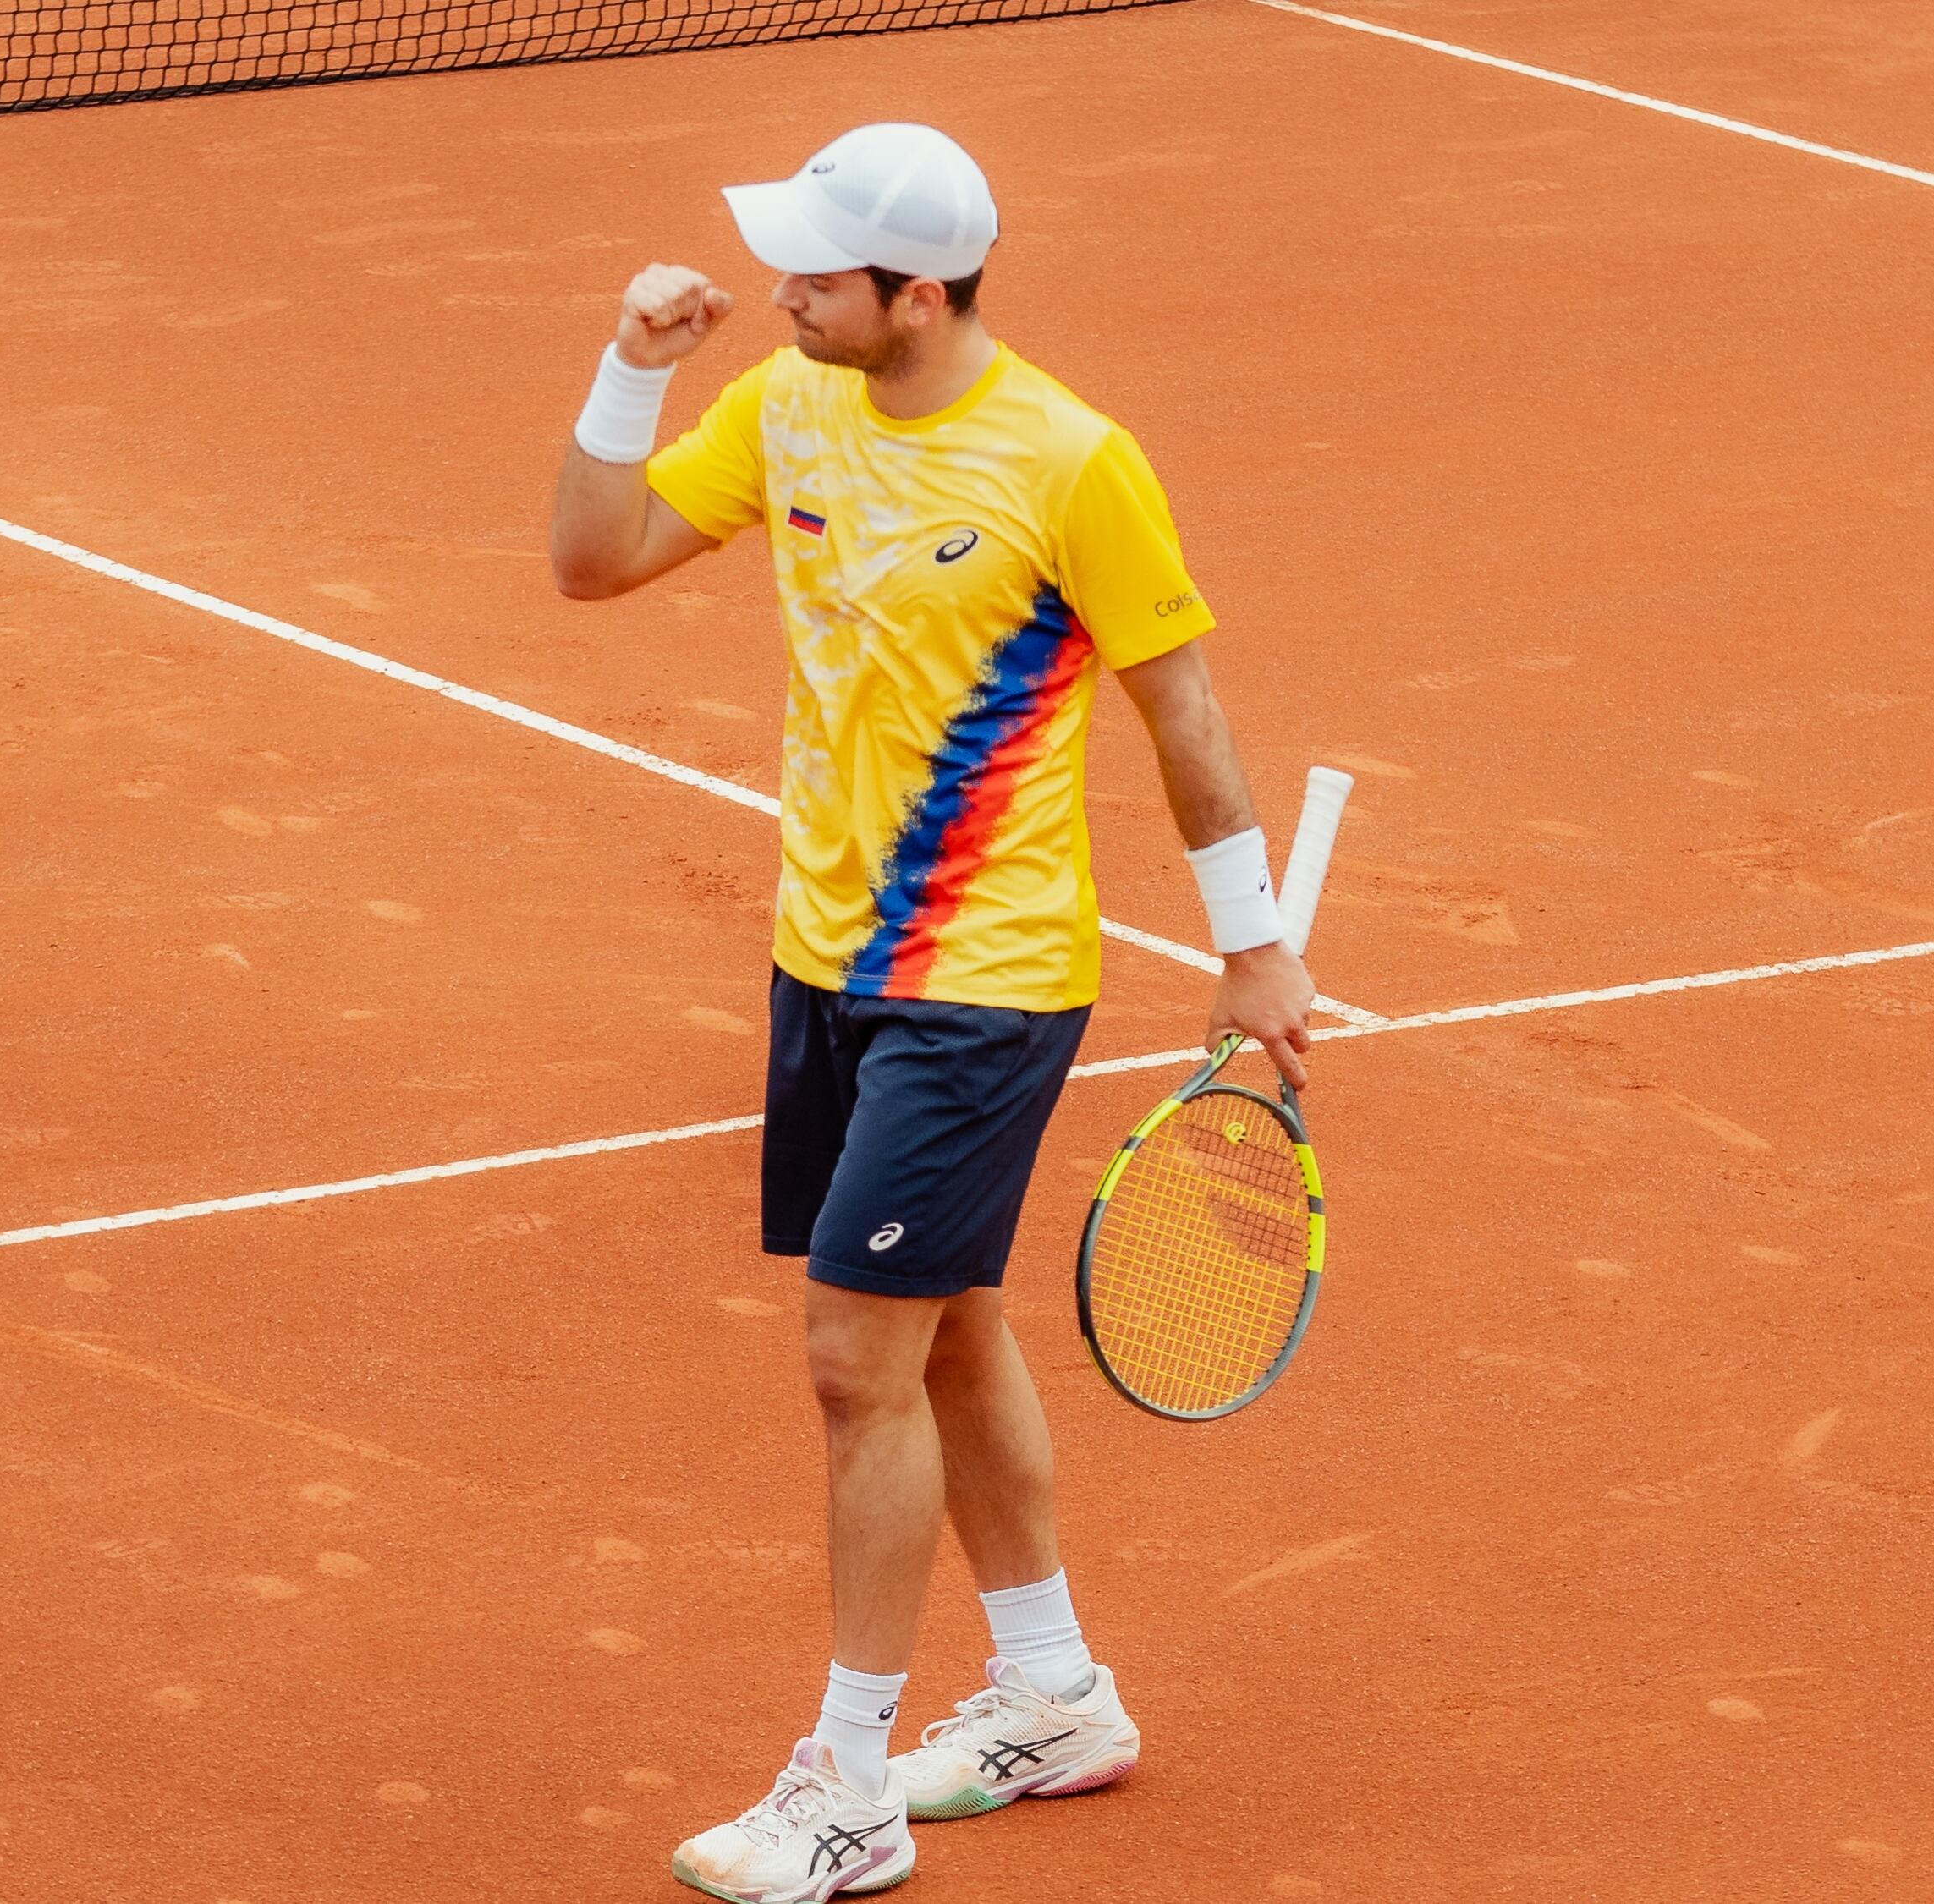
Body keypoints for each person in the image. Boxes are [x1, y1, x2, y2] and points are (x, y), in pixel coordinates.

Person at [548, 121, 1314, 1902]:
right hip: (825, 956)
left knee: (851, 1356)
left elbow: (1177, 705)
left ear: (921, 289)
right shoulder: (787, 406)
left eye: (818, 274)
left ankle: (846, 1786)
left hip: (984, 979)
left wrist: (1252, 938)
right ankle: (1054, 1695)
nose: (782, 290)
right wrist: (626, 374)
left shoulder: (1069, 461)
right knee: (951, 1321)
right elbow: (594, 561)